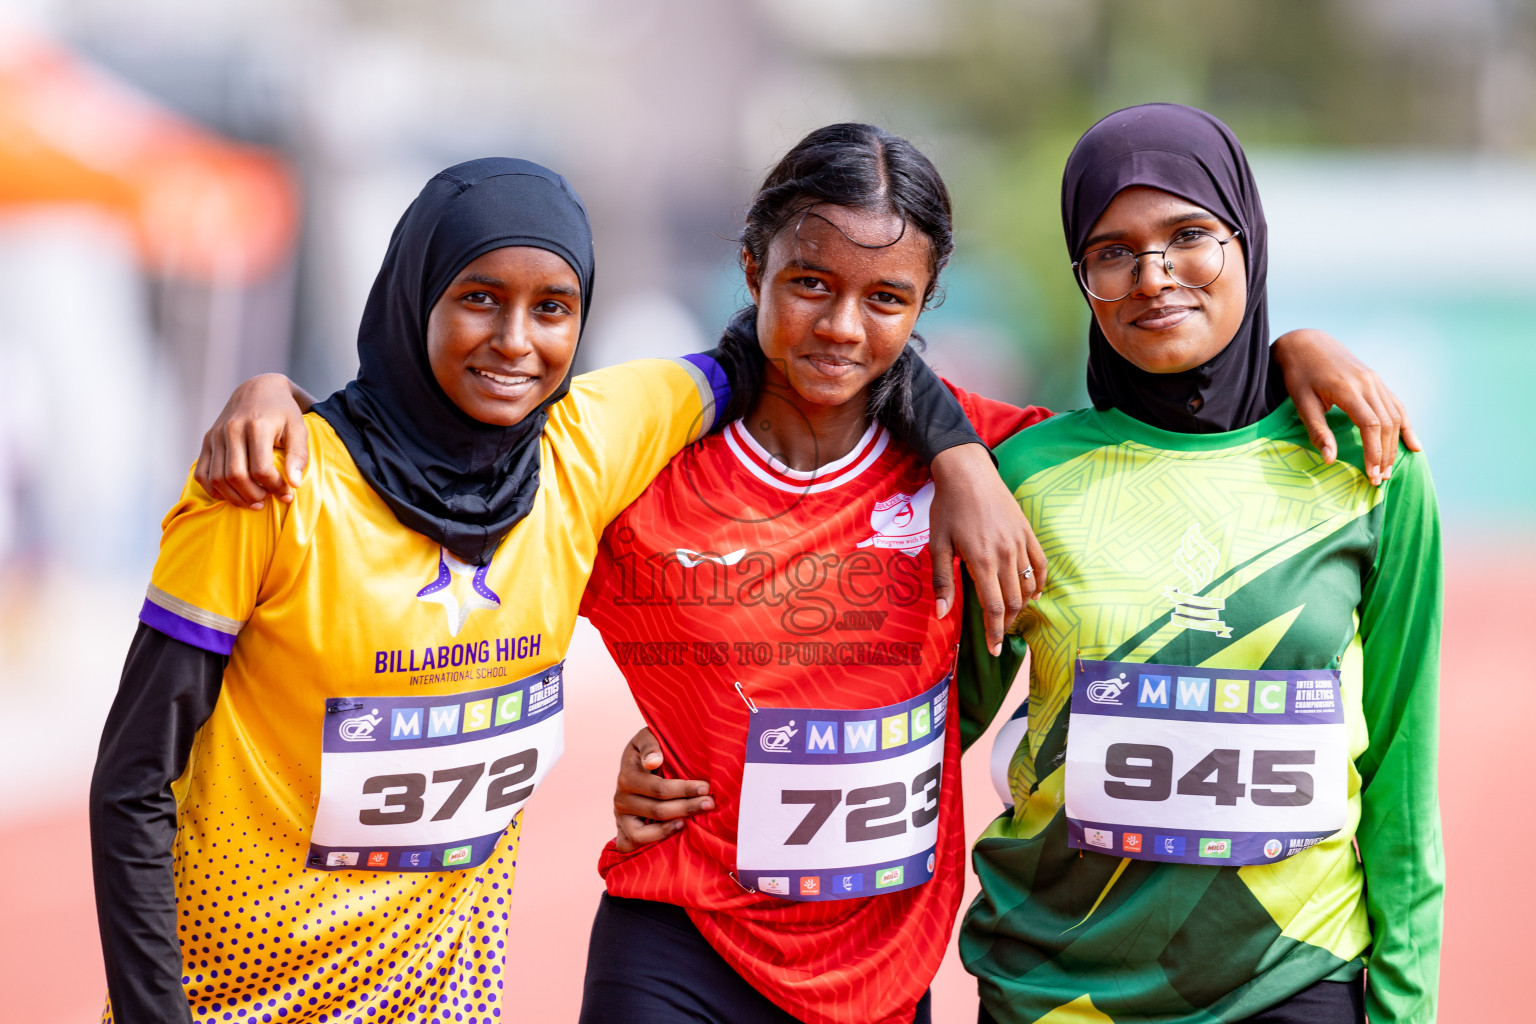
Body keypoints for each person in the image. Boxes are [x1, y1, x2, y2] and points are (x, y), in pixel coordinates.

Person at [203, 126, 1418, 1024]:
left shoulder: (1009, 464)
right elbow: (455, 443)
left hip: (884, 971)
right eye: (809, 285)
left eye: (886, 298)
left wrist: (1296, 347)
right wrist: (297, 413)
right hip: (678, 943)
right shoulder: (640, 464)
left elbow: (1173, 454)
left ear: (925, 306)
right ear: (752, 269)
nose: (842, 326)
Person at [92, 152, 1057, 1024]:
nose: (517, 342)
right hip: (246, 995)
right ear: (753, 268)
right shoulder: (277, 482)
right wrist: (272, 388)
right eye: (477, 298)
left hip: (484, 1002)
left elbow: (831, 356)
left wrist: (960, 455)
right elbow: (133, 783)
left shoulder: (589, 447)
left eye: (552, 309)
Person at [958, 104, 1441, 1024]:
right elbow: (932, 718)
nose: (1154, 278)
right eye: (1112, 252)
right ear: (1082, 275)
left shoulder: (1368, 466)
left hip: (1298, 983)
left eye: (1190, 237)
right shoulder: (1025, 477)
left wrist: (1405, 1010)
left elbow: (1402, 776)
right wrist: (695, 753)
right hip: (1057, 996)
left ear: (1247, 239)